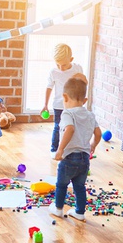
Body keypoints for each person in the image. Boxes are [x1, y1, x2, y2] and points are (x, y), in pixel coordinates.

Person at [48, 75, 101, 222]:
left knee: (61, 184)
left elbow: (69, 129)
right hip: (84, 159)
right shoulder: (90, 115)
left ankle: (58, 209)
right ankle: (79, 212)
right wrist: (93, 145)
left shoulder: (67, 113)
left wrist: (60, 150)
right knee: (79, 186)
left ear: (65, 97)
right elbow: (98, 133)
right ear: (84, 101)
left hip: (69, 157)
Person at [43, 44, 84, 158]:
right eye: (57, 64)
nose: (60, 68)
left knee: (72, 127)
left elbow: (82, 84)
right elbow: (49, 87)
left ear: (71, 59)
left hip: (74, 105)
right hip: (59, 105)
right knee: (58, 127)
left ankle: (70, 148)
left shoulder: (77, 68)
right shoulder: (54, 72)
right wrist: (45, 104)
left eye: (64, 64)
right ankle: (54, 149)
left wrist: (81, 100)